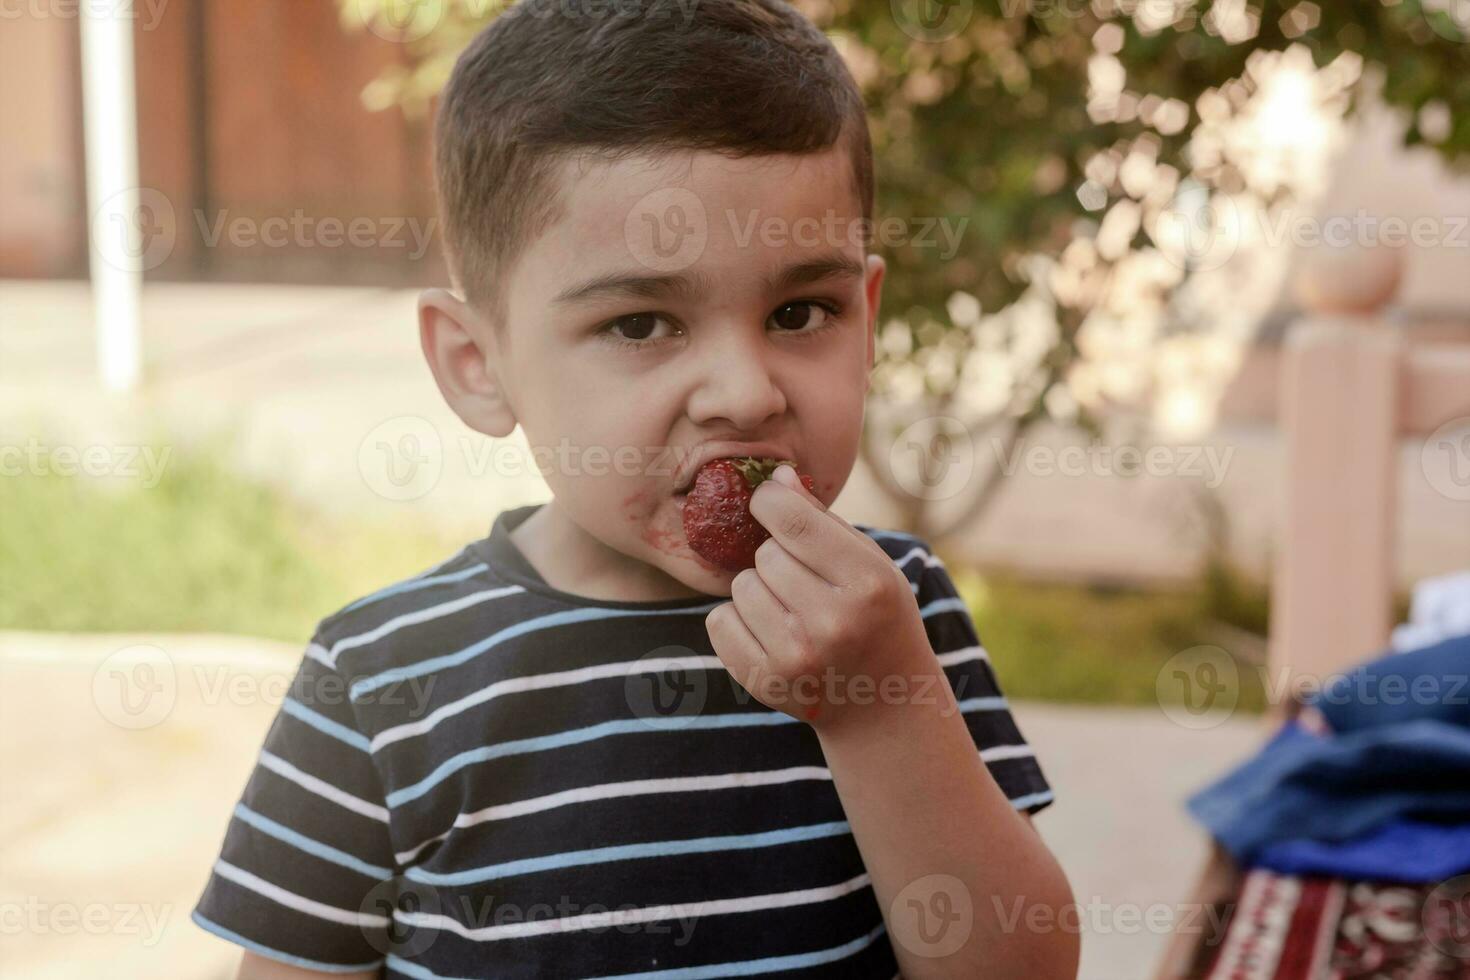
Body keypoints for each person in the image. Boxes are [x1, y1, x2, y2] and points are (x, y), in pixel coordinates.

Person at [191, 1, 1077, 976]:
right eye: (642, 324)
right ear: (480, 363)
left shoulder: (893, 610)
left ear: (865, 321)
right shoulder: (380, 676)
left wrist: (880, 710)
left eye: (798, 310)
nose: (745, 391)